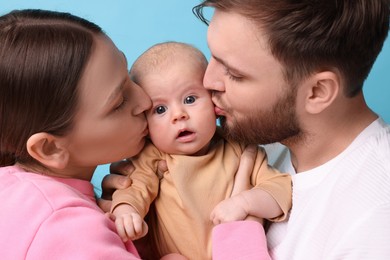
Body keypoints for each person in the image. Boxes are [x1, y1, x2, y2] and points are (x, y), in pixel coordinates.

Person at [102, 0, 390, 259]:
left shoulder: (374, 223)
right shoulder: (261, 137)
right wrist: (130, 219)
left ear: (316, 92)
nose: (207, 80)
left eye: (235, 74)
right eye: (212, 56)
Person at [0, 8, 178, 259]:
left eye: (129, 77)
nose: (145, 101)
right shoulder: (71, 229)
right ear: (49, 148)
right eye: (118, 103)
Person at [110, 41, 292, 260]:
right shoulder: (152, 158)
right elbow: (134, 188)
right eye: (160, 109)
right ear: (146, 125)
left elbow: (281, 190)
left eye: (190, 99)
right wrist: (126, 210)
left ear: (214, 103)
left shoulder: (238, 147)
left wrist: (245, 203)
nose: (178, 115)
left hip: (238, 250)